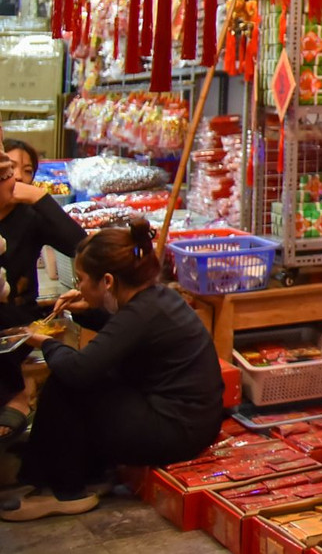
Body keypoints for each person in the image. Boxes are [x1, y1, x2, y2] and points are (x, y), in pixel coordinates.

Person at [4, 219, 225, 521]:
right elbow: (120, 336)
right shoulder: (154, 299)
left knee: (67, 381)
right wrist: (88, 311)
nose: (78, 287)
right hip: (189, 422)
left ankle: (63, 491)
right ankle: (90, 474)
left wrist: (44, 343)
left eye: (81, 280)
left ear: (107, 281)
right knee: (86, 376)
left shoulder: (141, 312)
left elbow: (78, 370)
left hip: (177, 431)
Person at [0, 151, 83, 443]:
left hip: (16, 319)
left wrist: (40, 198)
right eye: (9, 171)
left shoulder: (29, 216)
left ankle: (18, 395)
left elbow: (81, 246)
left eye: (26, 172)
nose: (18, 179)